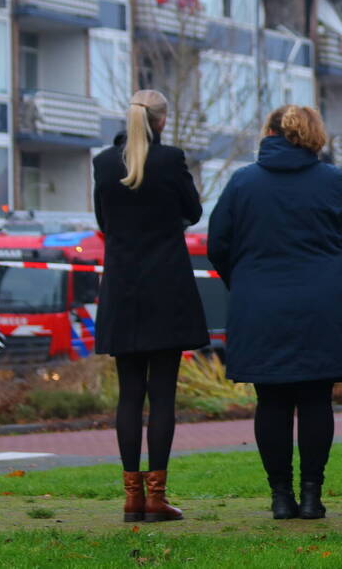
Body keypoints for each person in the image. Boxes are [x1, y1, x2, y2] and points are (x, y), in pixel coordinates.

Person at [208, 105, 342, 520]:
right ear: (314, 135)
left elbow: (217, 243)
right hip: (322, 304)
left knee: (271, 400)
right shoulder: (329, 179)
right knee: (316, 399)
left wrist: (244, 280)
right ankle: (312, 495)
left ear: (269, 133)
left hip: (260, 305)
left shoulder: (243, 182)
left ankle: (281, 496)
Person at [93, 90, 208, 522]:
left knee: (129, 394)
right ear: (161, 121)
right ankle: (157, 498)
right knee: (162, 396)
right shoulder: (170, 159)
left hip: (121, 287)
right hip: (166, 287)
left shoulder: (104, 163)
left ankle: (131, 498)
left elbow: (103, 221)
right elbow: (194, 211)